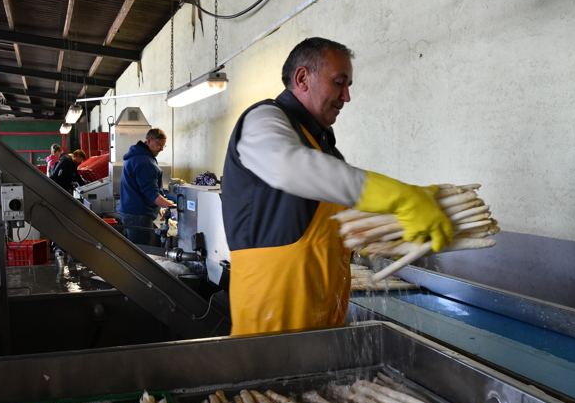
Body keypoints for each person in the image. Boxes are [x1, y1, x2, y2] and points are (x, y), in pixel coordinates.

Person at [222, 37, 453, 336]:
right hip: (272, 318)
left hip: (324, 317)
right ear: (303, 78)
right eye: (338, 83)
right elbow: (292, 167)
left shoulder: (325, 146)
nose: (346, 97)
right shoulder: (265, 118)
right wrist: (402, 198)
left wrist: (395, 231)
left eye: (349, 86)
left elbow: (342, 222)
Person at [118, 128, 176, 245]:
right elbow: (151, 193)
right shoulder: (144, 161)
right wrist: (175, 209)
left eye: (164, 146)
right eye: (160, 145)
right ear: (150, 140)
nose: (161, 149)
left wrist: (160, 206)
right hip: (138, 215)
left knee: (134, 249)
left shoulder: (136, 157)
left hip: (132, 212)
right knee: (140, 252)